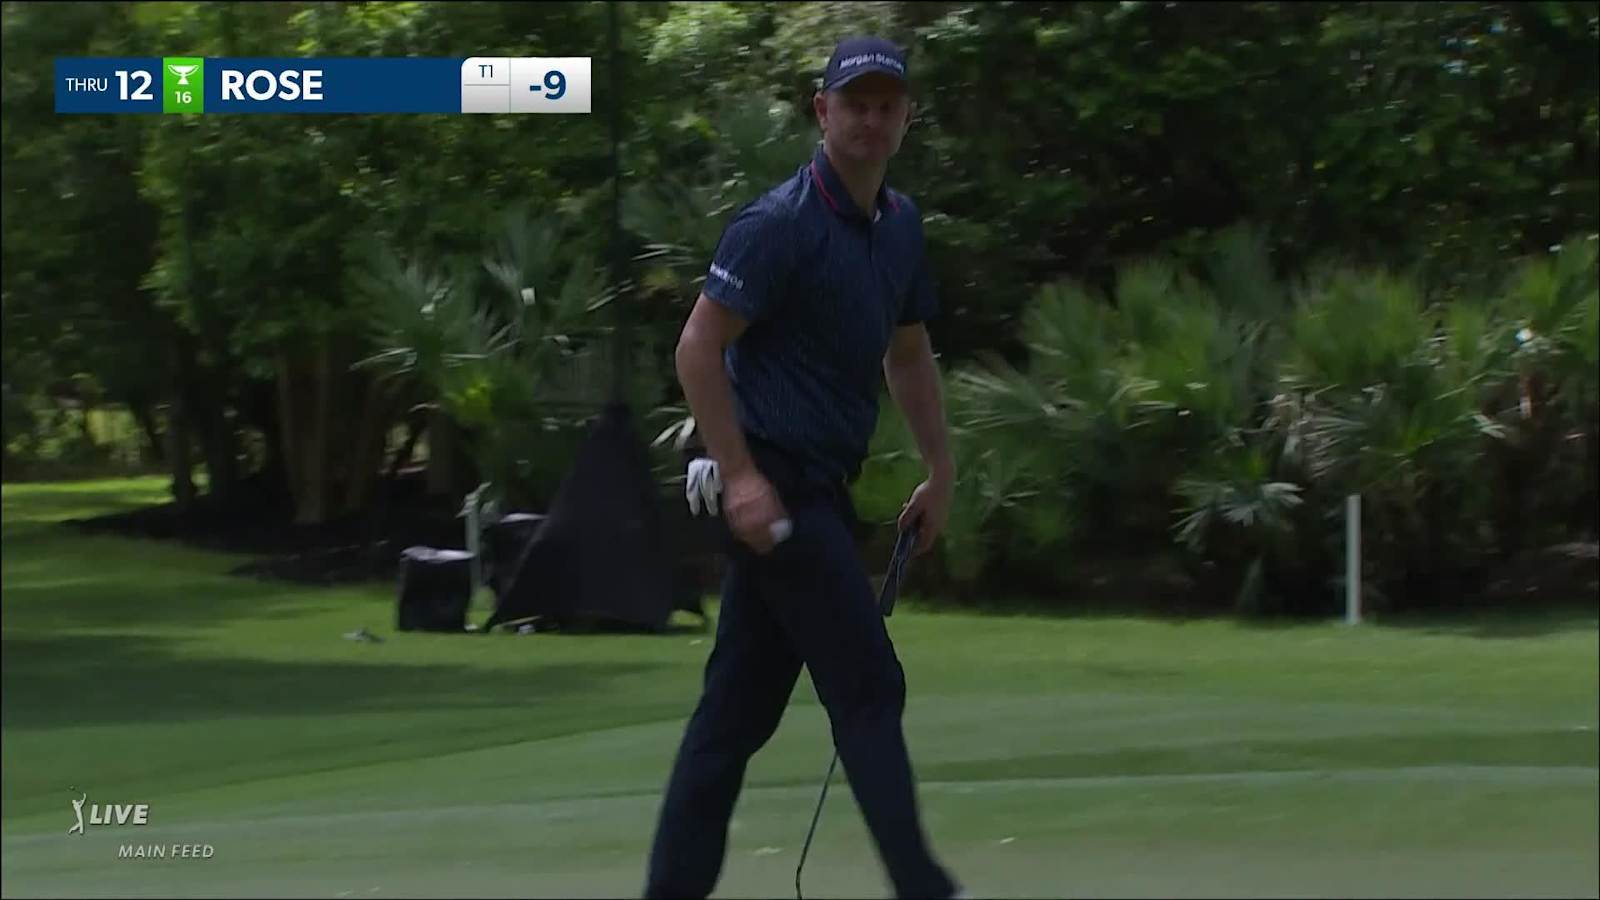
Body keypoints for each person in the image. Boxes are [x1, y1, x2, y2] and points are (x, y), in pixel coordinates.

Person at [643, 36, 964, 900]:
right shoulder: (778, 225)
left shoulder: (899, 228)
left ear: (906, 118)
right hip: (775, 488)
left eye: (886, 105)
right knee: (868, 684)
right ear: (823, 112)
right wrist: (742, 475)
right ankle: (926, 888)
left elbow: (907, 351)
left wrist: (939, 469)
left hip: (819, 486)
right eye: (854, 104)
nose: (871, 119)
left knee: (735, 715)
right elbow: (698, 348)